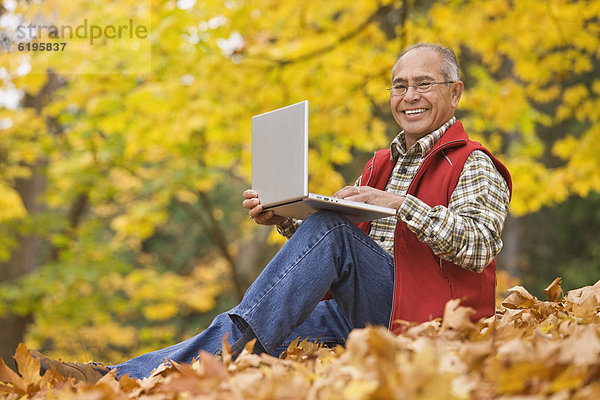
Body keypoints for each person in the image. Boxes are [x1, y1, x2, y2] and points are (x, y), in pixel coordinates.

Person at [30, 42, 511, 383]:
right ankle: (116, 377)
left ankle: (112, 378)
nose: (409, 96)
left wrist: (402, 204)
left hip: (428, 322)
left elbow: (478, 246)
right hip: (361, 316)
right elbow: (340, 251)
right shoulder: (382, 163)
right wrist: (283, 217)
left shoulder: (473, 163)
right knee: (253, 337)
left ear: (455, 92)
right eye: (399, 85)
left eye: (424, 84)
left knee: (313, 254)